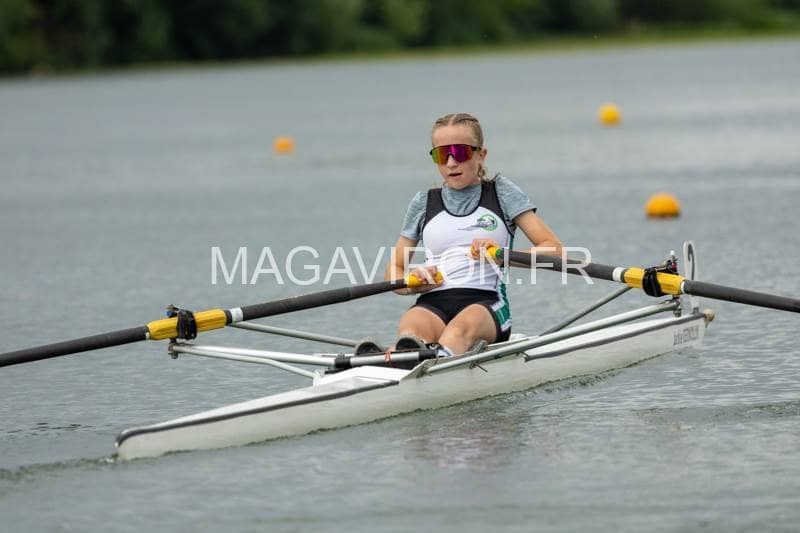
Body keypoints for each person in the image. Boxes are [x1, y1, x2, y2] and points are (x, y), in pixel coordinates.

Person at [359, 113, 563, 357]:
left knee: (459, 330)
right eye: (442, 154)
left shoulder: (501, 193)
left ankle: (424, 358)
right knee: (411, 327)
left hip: (486, 303)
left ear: (481, 155)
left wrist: (500, 256)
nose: (451, 162)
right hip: (432, 302)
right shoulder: (423, 203)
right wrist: (413, 283)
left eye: (460, 152)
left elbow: (554, 250)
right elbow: (394, 270)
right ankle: (402, 356)